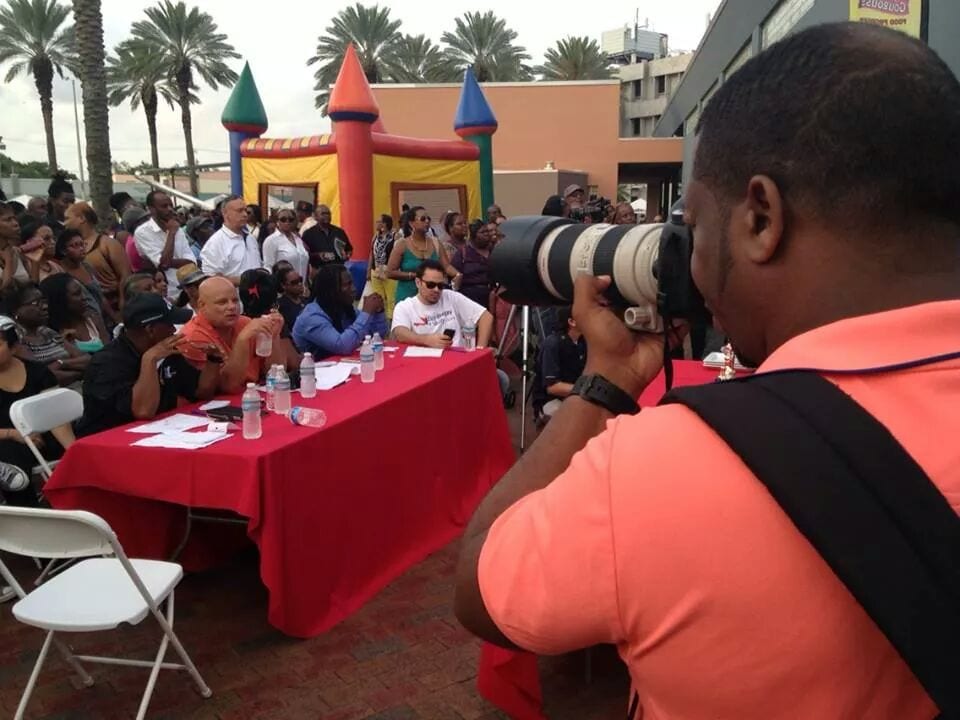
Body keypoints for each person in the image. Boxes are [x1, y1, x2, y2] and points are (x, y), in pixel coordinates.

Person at [454, 23, 960, 719]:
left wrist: (606, 383)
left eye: (693, 227)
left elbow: (479, 587)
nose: (689, 265)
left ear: (761, 218)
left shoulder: (661, 467)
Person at [76, 294, 219, 437]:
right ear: (150, 329)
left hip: (159, 433)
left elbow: (200, 392)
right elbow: (143, 411)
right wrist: (150, 359)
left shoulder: (166, 352)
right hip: (106, 440)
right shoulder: (107, 363)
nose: (173, 330)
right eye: (169, 324)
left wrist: (213, 359)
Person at [0, 315, 73, 505]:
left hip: (40, 437)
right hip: (7, 440)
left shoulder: (37, 372)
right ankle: (28, 512)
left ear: (14, 347)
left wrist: (73, 450)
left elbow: (55, 414)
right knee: (10, 455)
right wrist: (13, 434)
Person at [179, 276, 285, 392]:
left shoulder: (245, 323)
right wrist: (242, 340)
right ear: (202, 305)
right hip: (219, 401)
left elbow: (276, 373)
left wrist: (273, 336)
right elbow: (229, 386)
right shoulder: (192, 336)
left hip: (254, 395)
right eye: (222, 302)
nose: (232, 307)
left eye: (235, 300)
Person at [4, 280, 89, 387]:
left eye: (43, 301)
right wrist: (80, 373)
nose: (44, 306)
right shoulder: (17, 340)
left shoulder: (46, 332)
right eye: (35, 303)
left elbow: (87, 359)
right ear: (16, 310)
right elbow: (43, 377)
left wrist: (61, 363)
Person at [292, 264, 386, 359]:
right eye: (347, 285)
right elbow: (342, 346)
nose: (354, 289)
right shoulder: (312, 317)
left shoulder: (343, 308)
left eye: (352, 283)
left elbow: (376, 336)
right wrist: (366, 313)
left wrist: (378, 312)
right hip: (314, 366)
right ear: (331, 290)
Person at [64, 201, 131, 316]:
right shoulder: (69, 250)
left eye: (67, 218)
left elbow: (125, 274)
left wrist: (122, 300)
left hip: (115, 305)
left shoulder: (107, 244)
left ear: (81, 218)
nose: (65, 223)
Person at [386, 206, 460, 304]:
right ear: (411, 223)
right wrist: (413, 275)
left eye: (428, 218)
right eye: (423, 219)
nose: (427, 221)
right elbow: (390, 272)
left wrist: (457, 274)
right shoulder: (402, 244)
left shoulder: (435, 242)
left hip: (432, 298)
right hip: (408, 297)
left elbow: (446, 266)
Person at [134, 191, 196, 300]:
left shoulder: (177, 228)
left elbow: (191, 262)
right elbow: (164, 264)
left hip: (188, 287)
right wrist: (171, 233)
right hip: (166, 292)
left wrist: (168, 262)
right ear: (151, 209)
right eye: (164, 206)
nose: (170, 209)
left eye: (171, 205)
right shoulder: (143, 232)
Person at [532, 306, 586, 419]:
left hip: (573, 394)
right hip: (550, 400)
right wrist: (584, 390)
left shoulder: (582, 342)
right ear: (572, 322)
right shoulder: (553, 344)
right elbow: (552, 387)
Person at [55, 228, 111, 329]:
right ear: (63, 251)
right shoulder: (61, 273)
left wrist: (113, 318)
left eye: (82, 244)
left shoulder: (86, 266)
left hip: (102, 319)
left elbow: (101, 296)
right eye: (75, 245)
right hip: (86, 324)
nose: (81, 248)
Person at [200, 195, 262, 283]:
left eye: (246, 211)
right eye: (239, 211)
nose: (245, 214)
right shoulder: (215, 243)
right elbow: (211, 280)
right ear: (225, 213)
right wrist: (243, 281)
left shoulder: (250, 238)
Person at [40, 273, 108, 354]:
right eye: (77, 294)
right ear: (60, 301)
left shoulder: (93, 318)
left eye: (82, 292)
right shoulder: (52, 335)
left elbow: (109, 350)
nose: (84, 297)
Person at [451, 220, 494, 308]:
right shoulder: (463, 253)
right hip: (469, 299)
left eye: (487, 231)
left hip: (492, 297)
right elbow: (454, 275)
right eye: (482, 232)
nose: (486, 234)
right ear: (473, 236)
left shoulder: (494, 251)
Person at [262, 210, 309, 278]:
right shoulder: (271, 240)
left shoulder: (298, 239)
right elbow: (268, 266)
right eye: (283, 219)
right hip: (282, 283)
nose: (287, 222)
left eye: (291, 219)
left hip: (302, 283)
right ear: (277, 222)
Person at [369, 214, 397, 320]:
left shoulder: (395, 236)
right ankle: (380, 320)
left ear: (384, 224)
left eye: (378, 221)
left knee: (391, 298)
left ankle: (392, 320)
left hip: (388, 271)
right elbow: (371, 254)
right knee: (378, 297)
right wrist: (368, 270)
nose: (376, 223)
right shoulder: (375, 236)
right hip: (375, 271)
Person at [0, 203, 30, 289]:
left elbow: (33, 284)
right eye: (8, 220)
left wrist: (35, 262)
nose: (16, 223)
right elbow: (3, 289)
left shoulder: (17, 251)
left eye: (15, 218)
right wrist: (8, 261)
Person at [275, 264, 307, 333]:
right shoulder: (280, 306)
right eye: (294, 282)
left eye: (300, 280)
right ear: (283, 285)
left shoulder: (307, 301)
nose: (300, 284)